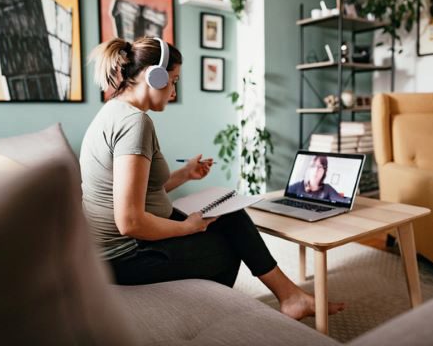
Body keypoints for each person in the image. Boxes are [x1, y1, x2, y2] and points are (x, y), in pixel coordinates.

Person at [80, 36, 345, 320]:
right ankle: (212, 316)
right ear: (154, 77)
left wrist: (185, 174)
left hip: (116, 252)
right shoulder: (134, 123)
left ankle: (292, 297)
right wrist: (188, 228)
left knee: (230, 213)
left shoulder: (114, 112)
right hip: (127, 257)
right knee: (231, 248)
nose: (173, 91)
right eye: (173, 80)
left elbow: (136, 190)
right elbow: (130, 222)